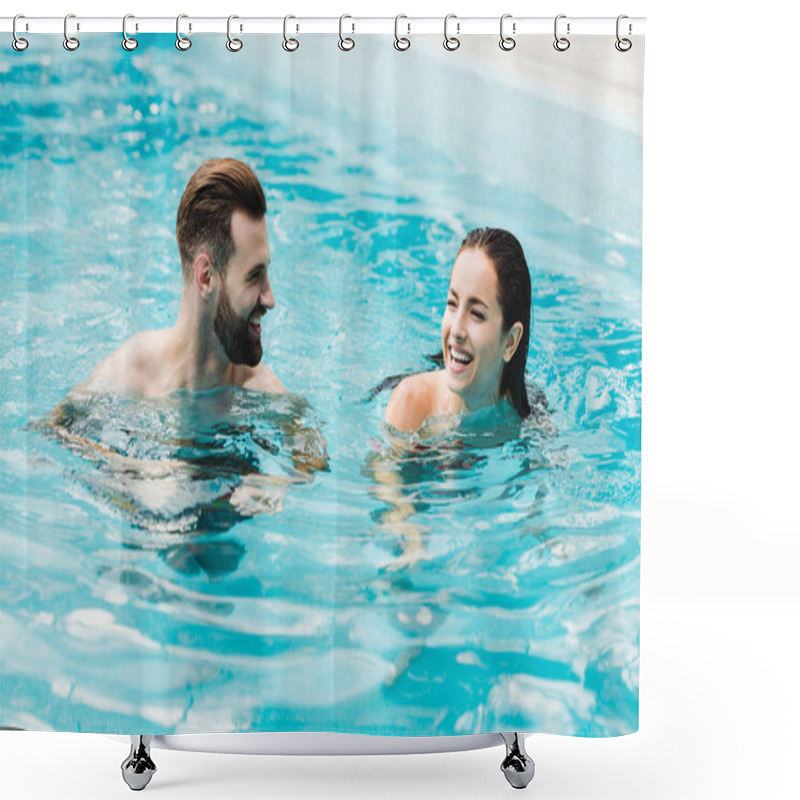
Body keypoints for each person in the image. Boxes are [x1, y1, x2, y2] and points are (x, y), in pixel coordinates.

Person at [78, 157, 285, 398]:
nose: (270, 299)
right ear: (206, 277)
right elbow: (54, 430)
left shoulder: (265, 397)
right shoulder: (126, 378)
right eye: (253, 276)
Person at [384, 227, 533, 433]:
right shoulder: (411, 405)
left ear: (510, 341)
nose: (456, 330)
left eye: (477, 314)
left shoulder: (526, 421)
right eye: (452, 303)